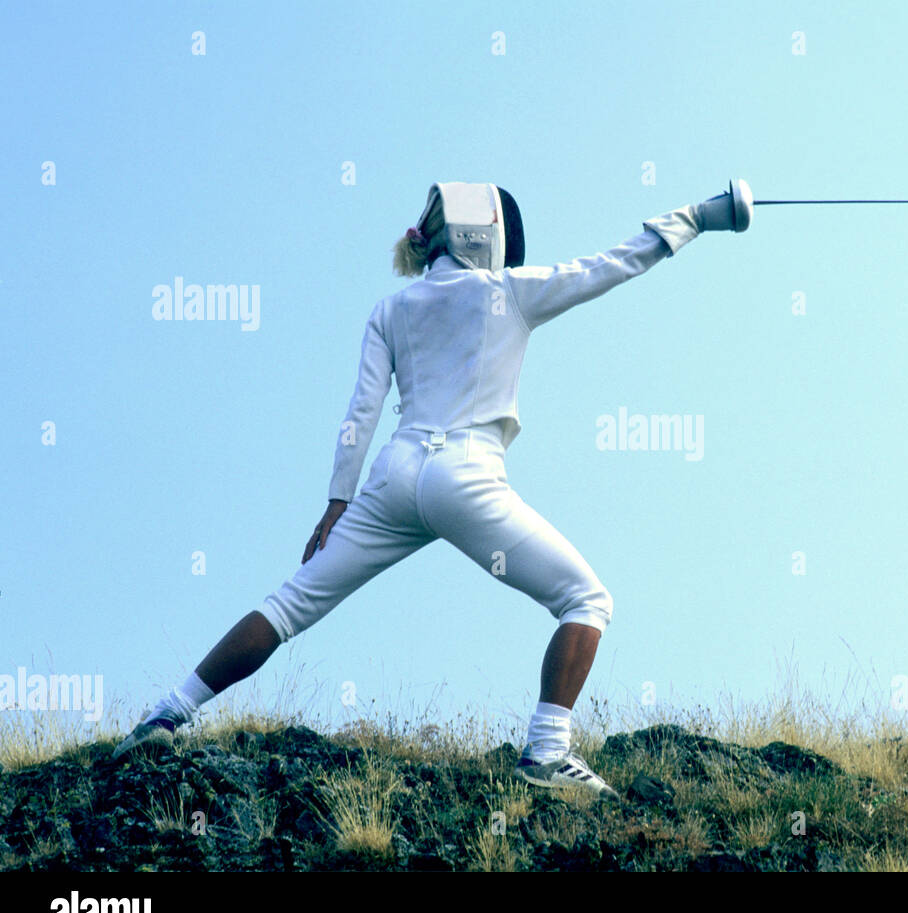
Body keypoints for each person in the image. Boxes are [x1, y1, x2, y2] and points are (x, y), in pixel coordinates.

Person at [112, 179, 751, 798]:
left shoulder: (392, 308)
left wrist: (337, 504)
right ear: (487, 236)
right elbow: (613, 264)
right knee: (587, 599)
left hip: (394, 477)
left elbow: (360, 415)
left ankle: (167, 715)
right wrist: (698, 216)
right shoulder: (508, 291)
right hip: (466, 477)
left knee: (288, 607)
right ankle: (548, 749)